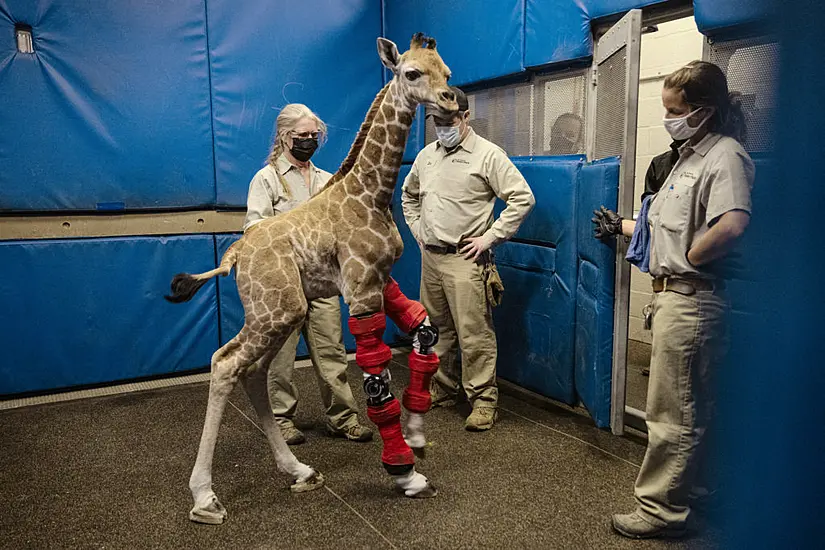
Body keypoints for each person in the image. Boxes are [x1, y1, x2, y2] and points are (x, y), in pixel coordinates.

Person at [593, 61, 753, 539]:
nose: (669, 118)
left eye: (675, 110)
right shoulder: (686, 158)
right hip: (673, 299)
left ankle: (661, 510)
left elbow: (733, 222)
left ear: (704, 111)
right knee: (693, 407)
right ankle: (697, 490)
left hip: (691, 299)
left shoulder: (724, 155)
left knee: (671, 413)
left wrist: (690, 254)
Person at [402, 86, 536, 432]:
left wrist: (491, 237)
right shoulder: (426, 156)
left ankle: (483, 400)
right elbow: (409, 196)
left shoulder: (488, 155)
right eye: (436, 120)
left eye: (448, 120)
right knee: (435, 330)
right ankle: (444, 387)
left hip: (465, 258)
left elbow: (522, 198)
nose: (442, 126)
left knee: (474, 333)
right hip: (431, 257)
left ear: (464, 116)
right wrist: (419, 230)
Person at [243, 103, 372, 445]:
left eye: (314, 135)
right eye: (302, 135)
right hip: (283, 287)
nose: (309, 141)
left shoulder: (327, 180)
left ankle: (343, 417)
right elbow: (254, 229)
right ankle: (282, 421)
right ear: (285, 137)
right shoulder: (266, 179)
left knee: (332, 352)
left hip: (323, 282)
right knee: (280, 358)